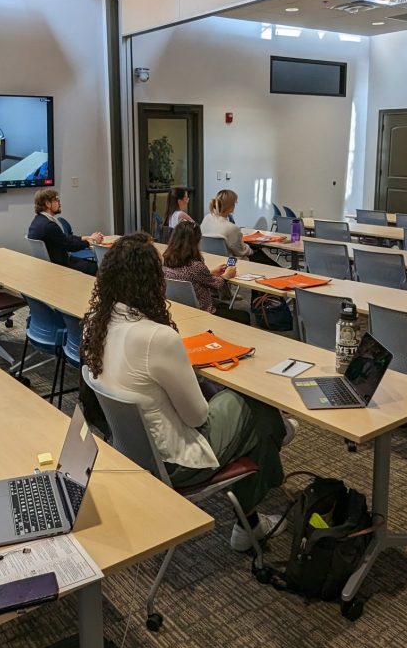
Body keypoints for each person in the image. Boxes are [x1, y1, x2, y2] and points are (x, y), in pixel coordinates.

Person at [82, 233, 291, 550]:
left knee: (250, 420)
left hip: (135, 450)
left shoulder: (96, 321)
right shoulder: (156, 336)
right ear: (153, 279)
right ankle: (250, 521)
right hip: (176, 461)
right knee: (258, 409)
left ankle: (252, 516)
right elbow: (197, 417)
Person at [162, 220, 248, 320]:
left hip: (181, 309)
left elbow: (188, 276)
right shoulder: (196, 266)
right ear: (195, 242)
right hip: (202, 311)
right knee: (245, 316)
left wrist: (210, 272)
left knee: (224, 306)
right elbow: (216, 285)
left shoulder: (166, 262)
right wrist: (227, 275)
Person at [27, 187, 103, 274]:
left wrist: (85, 238)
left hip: (50, 265)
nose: (60, 203)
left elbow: (63, 239)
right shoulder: (49, 226)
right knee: (101, 269)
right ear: (48, 203)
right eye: (56, 200)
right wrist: (91, 241)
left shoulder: (38, 221)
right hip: (61, 266)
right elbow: (70, 246)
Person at [201, 189, 280, 266]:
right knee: (258, 253)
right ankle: (279, 270)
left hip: (209, 260)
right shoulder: (232, 228)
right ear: (231, 207)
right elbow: (240, 252)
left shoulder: (206, 218)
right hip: (230, 263)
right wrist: (251, 250)